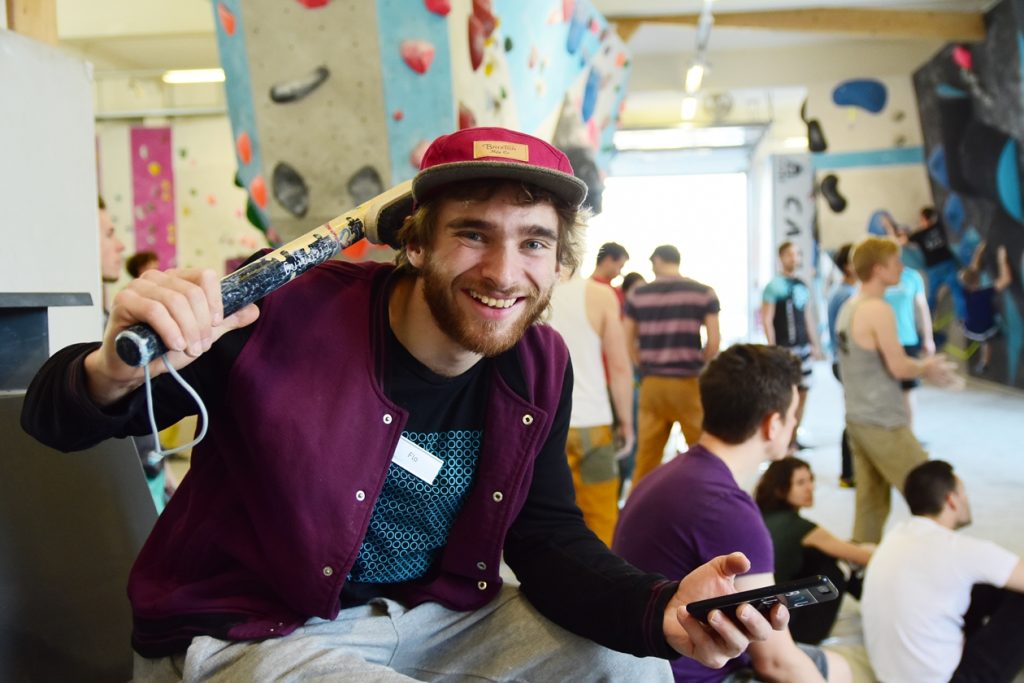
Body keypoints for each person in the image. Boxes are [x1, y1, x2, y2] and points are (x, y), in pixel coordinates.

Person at [22, 127, 783, 681]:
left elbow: (546, 538)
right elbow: (54, 418)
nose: (503, 270)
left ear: (560, 262)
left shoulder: (537, 364)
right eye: (473, 235)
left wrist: (662, 609)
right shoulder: (281, 317)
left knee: (634, 669)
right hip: (249, 628)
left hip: (431, 619)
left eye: (534, 244)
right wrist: (108, 370)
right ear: (414, 243)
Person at [614, 344, 851, 683]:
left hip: (639, 659)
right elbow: (777, 664)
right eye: (793, 414)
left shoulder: (664, 474)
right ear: (773, 425)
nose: (794, 423)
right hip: (689, 673)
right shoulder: (729, 510)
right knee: (836, 668)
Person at [834, 236, 962, 544]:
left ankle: (861, 571)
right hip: (883, 422)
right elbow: (900, 367)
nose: (902, 268)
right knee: (938, 494)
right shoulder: (877, 309)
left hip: (858, 418)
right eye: (896, 263)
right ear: (879, 269)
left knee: (871, 504)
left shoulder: (849, 304)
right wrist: (926, 366)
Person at [861, 460, 1024, 683]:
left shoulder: (895, 536)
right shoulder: (961, 550)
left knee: (982, 583)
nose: (966, 499)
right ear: (951, 500)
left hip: (889, 675)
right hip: (948, 679)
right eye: (963, 493)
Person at [623, 245, 720, 488]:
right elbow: (714, 341)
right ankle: (706, 502)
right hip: (688, 384)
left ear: (657, 261)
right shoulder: (703, 293)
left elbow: (628, 340)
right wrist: (700, 361)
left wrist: (642, 364)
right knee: (703, 454)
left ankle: (637, 513)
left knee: (646, 458)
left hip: (652, 385)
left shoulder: (638, 295)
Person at [548, 269, 634, 546]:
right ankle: (602, 584)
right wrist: (626, 422)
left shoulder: (528, 288)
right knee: (600, 519)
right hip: (593, 425)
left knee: (544, 518)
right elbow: (619, 365)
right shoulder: (600, 295)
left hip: (541, 424)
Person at [754, 456, 874, 645]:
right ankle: (877, 607)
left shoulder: (759, 515)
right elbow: (864, 556)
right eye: (801, 482)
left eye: (811, 479)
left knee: (826, 553)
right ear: (780, 488)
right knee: (837, 562)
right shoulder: (800, 528)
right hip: (792, 629)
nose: (810, 488)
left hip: (765, 619)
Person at [761, 241, 824, 452]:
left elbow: (806, 316)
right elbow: (767, 318)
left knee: (804, 392)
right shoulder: (774, 286)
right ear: (781, 257)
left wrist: (815, 344)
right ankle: (781, 439)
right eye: (789, 254)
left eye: (796, 253)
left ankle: (793, 437)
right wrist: (771, 348)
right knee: (787, 395)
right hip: (784, 348)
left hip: (803, 348)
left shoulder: (802, 286)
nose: (793, 258)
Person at [882, 257, 934, 428]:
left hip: (908, 339)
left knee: (908, 389)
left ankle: (909, 432)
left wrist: (928, 338)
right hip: (884, 341)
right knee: (887, 389)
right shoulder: (881, 277)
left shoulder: (912, 277)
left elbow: (922, 307)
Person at [826, 243, 856, 487]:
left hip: (842, 361)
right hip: (847, 363)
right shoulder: (847, 295)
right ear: (848, 266)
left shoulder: (844, 292)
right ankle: (848, 473)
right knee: (854, 416)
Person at [959, 241, 1013, 374]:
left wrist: (978, 252)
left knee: (983, 340)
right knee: (986, 342)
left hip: (970, 328)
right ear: (977, 280)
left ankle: (983, 363)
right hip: (984, 328)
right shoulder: (984, 294)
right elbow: (1006, 279)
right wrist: (1002, 260)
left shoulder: (965, 291)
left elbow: (973, 269)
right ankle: (985, 362)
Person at [617, 271, 647, 499]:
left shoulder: (640, 315)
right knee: (629, 434)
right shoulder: (618, 312)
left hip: (637, 378)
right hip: (624, 380)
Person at [909, 206, 966, 322]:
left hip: (933, 268)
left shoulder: (919, 234)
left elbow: (905, 239)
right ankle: (963, 318)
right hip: (947, 263)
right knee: (957, 291)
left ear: (925, 219)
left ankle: (927, 320)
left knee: (932, 296)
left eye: (921, 219)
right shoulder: (938, 226)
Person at [591, 241, 629, 308]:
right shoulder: (613, 293)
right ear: (608, 260)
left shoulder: (580, 287)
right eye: (620, 266)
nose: (620, 272)